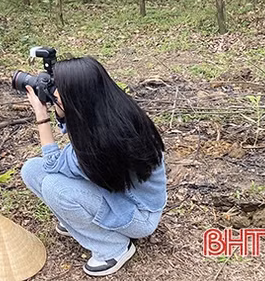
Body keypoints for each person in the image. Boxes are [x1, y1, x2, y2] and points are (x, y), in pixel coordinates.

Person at [19, 56, 166, 277]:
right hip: (117, 191)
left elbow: (52, 165)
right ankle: (76, 221)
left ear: (77, 98)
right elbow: (74, 132)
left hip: (139, 215)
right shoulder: (110, 112)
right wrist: (61, 109)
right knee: (31, 169)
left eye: (56, 90)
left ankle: (113, 248)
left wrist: (42, 117)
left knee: (53, 186)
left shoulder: (104, 143)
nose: (51, 94)